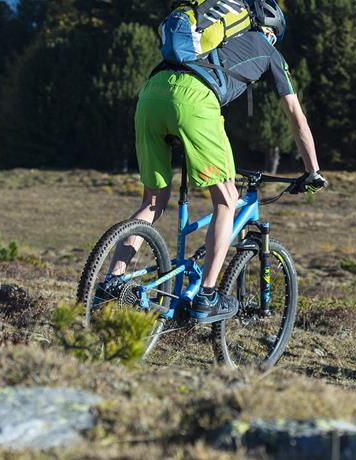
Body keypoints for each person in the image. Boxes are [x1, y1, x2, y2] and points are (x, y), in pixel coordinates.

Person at [103, 0, 326, 323]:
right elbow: (296, 117)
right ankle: (206, 295)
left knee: (153, 201)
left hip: (152, 93)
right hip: (194, 101)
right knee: (227, 201)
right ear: (273, 30)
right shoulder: (268, 50)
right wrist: (313, 170)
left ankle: (114, 278)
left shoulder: (212, 36)